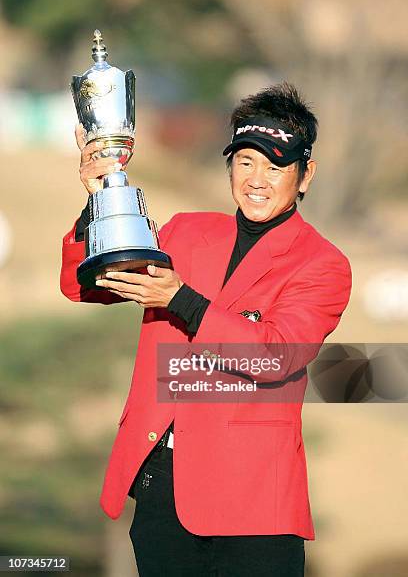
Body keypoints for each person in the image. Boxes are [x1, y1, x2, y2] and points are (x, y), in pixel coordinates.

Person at [60, 82, 352, 576]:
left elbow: (274, 357)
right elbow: (83, 284)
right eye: (245, 161)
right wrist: (101, 201)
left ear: (305, 176)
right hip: (163, 485)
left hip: (255, 504)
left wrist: (181, 300)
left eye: (276, 166)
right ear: (229, 166)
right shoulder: (184, 231)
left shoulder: (323, 265)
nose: (257, 179)